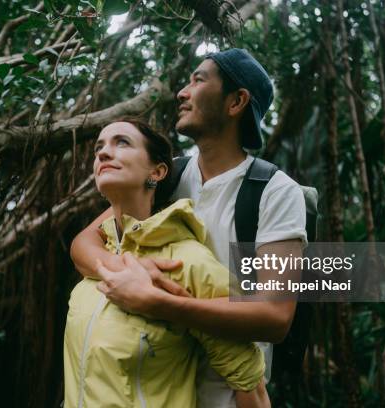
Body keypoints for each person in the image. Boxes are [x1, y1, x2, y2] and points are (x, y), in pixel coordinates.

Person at [70, 49, 307, 407]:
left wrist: (157, 302)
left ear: (236, 101)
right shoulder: (170, 176)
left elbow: (274, 316)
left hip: (230, 397)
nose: (182, 92)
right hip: (155, 391)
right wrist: (133, 272)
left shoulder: (275, 192)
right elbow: (84, 244)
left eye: (198, 80)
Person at [63, 118, 270, 407]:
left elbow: (251, 386)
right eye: (99, 147)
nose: (103, 153)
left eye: (121, 142)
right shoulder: (96, 261)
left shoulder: (187, 262)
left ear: (157, 172)